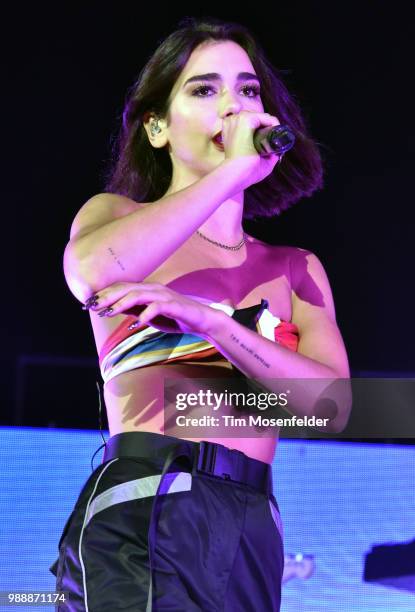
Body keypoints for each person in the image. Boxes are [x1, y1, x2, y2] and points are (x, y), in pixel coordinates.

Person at [50, 16, 351, 611]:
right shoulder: (115, 216)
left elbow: (328, 408)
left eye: (247, 89)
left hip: (251, 522)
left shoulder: (295, 268)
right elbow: (90, 273)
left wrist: (210, 322)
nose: (232, 107)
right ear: (157, 127)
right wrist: (234, 172)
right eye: (204, 89)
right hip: (150, 498)